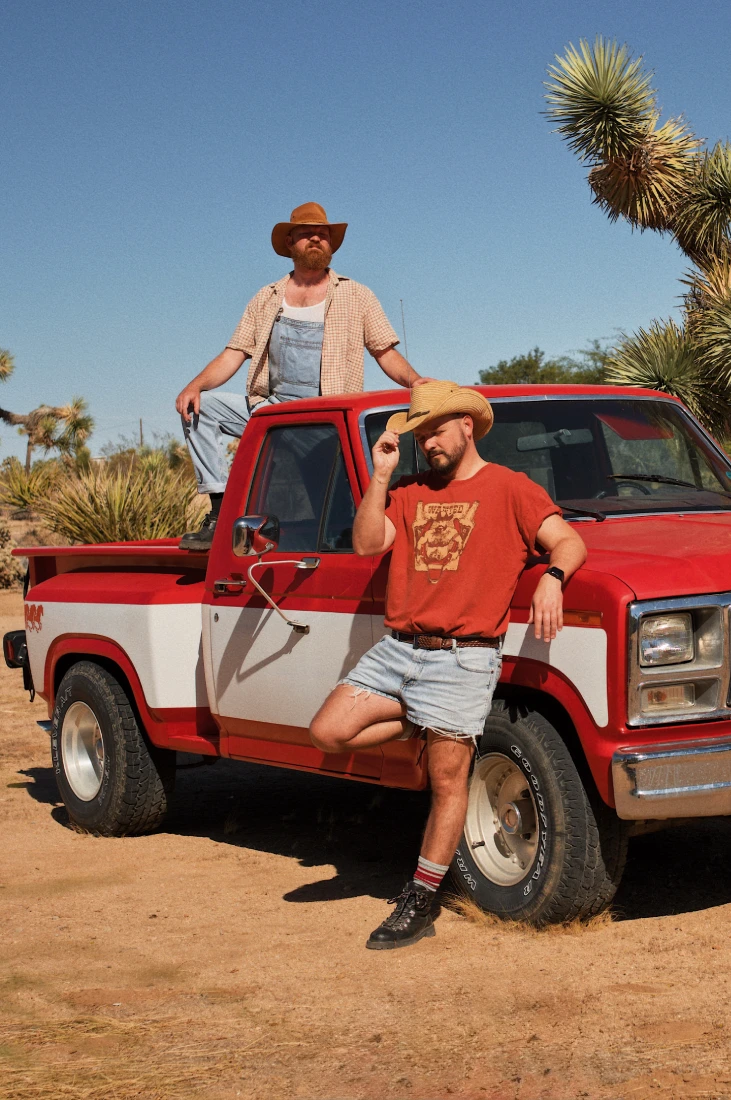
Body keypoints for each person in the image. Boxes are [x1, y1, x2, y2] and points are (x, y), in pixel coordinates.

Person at [308, 381, 587, 950]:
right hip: (399, 649)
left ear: (467, 426)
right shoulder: (408, 493)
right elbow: (365, 545)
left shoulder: (509, 488)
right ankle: (424, 718)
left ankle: (420, 898)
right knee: (327, 730)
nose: (427, 442)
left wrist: (554, 580)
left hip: (464, 658)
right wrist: (381, 474)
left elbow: (568, 541)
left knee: (447, 781)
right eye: (420, 433)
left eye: (435, 429)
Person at [176, 202, 425, 550]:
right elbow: (235, 352)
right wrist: (195, 385)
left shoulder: (356, 295)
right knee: (200, 409)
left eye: (323, 235)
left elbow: (384, 350)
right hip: (273, 410)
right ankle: (218, 511)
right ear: (290, 243)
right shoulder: (266, 298)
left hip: (327, 418)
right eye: (307, 234)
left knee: (339, 517)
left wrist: (415, 381)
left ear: (331, 245)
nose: (316, 239)